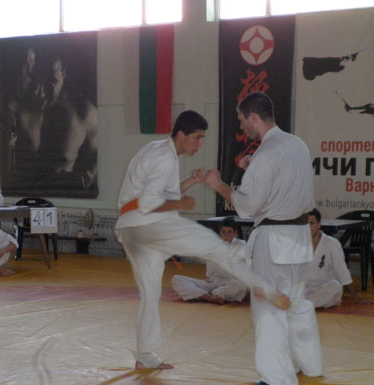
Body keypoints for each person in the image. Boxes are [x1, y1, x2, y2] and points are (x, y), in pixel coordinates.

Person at [115, 110, 289, 371]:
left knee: (150, 294)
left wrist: (192, 182)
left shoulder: (157, 150)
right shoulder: (164, 158)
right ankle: (261, 285)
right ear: (181, 134)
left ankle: (145, 355)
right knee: (211, 244)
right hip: (147, 224)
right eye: (197, 138)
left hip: (131, 229)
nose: (199, 144)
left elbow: (158, 194)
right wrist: (182, 204)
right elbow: (150, 202)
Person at [204, 91, 324, 385]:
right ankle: (309, 365)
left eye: (242, 120)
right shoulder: (296, 144)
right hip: (299, 235)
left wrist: (218, 185)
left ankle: (276, 376)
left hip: (274, 238)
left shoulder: (266, 153)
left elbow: (247, 206)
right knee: (296, 302)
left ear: (254, 117)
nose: (241, 126)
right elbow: (282, 185)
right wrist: (252, 170)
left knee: (269, 307)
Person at [171, 216, 248, 305]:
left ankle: (215, 294)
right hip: (213, 282)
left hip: (231, 283)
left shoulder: (242, 245)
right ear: (220, 232)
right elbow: (210, 272)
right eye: (223, 231)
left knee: (241, 286)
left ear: (235, 233)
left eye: (229, 232)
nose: (226, 235)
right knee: (176, 279)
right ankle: (210, 297)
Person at [305, 208, 372, 308]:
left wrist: (356, 299)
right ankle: (303, 304)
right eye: (304, 224)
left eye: (311, 223)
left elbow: (342, 271)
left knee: (336, 287)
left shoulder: (332, 243)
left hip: (323, 287)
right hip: (302, 288)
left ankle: (300, 305)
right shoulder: (297, 243)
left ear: (319, 224)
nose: (307, 228)